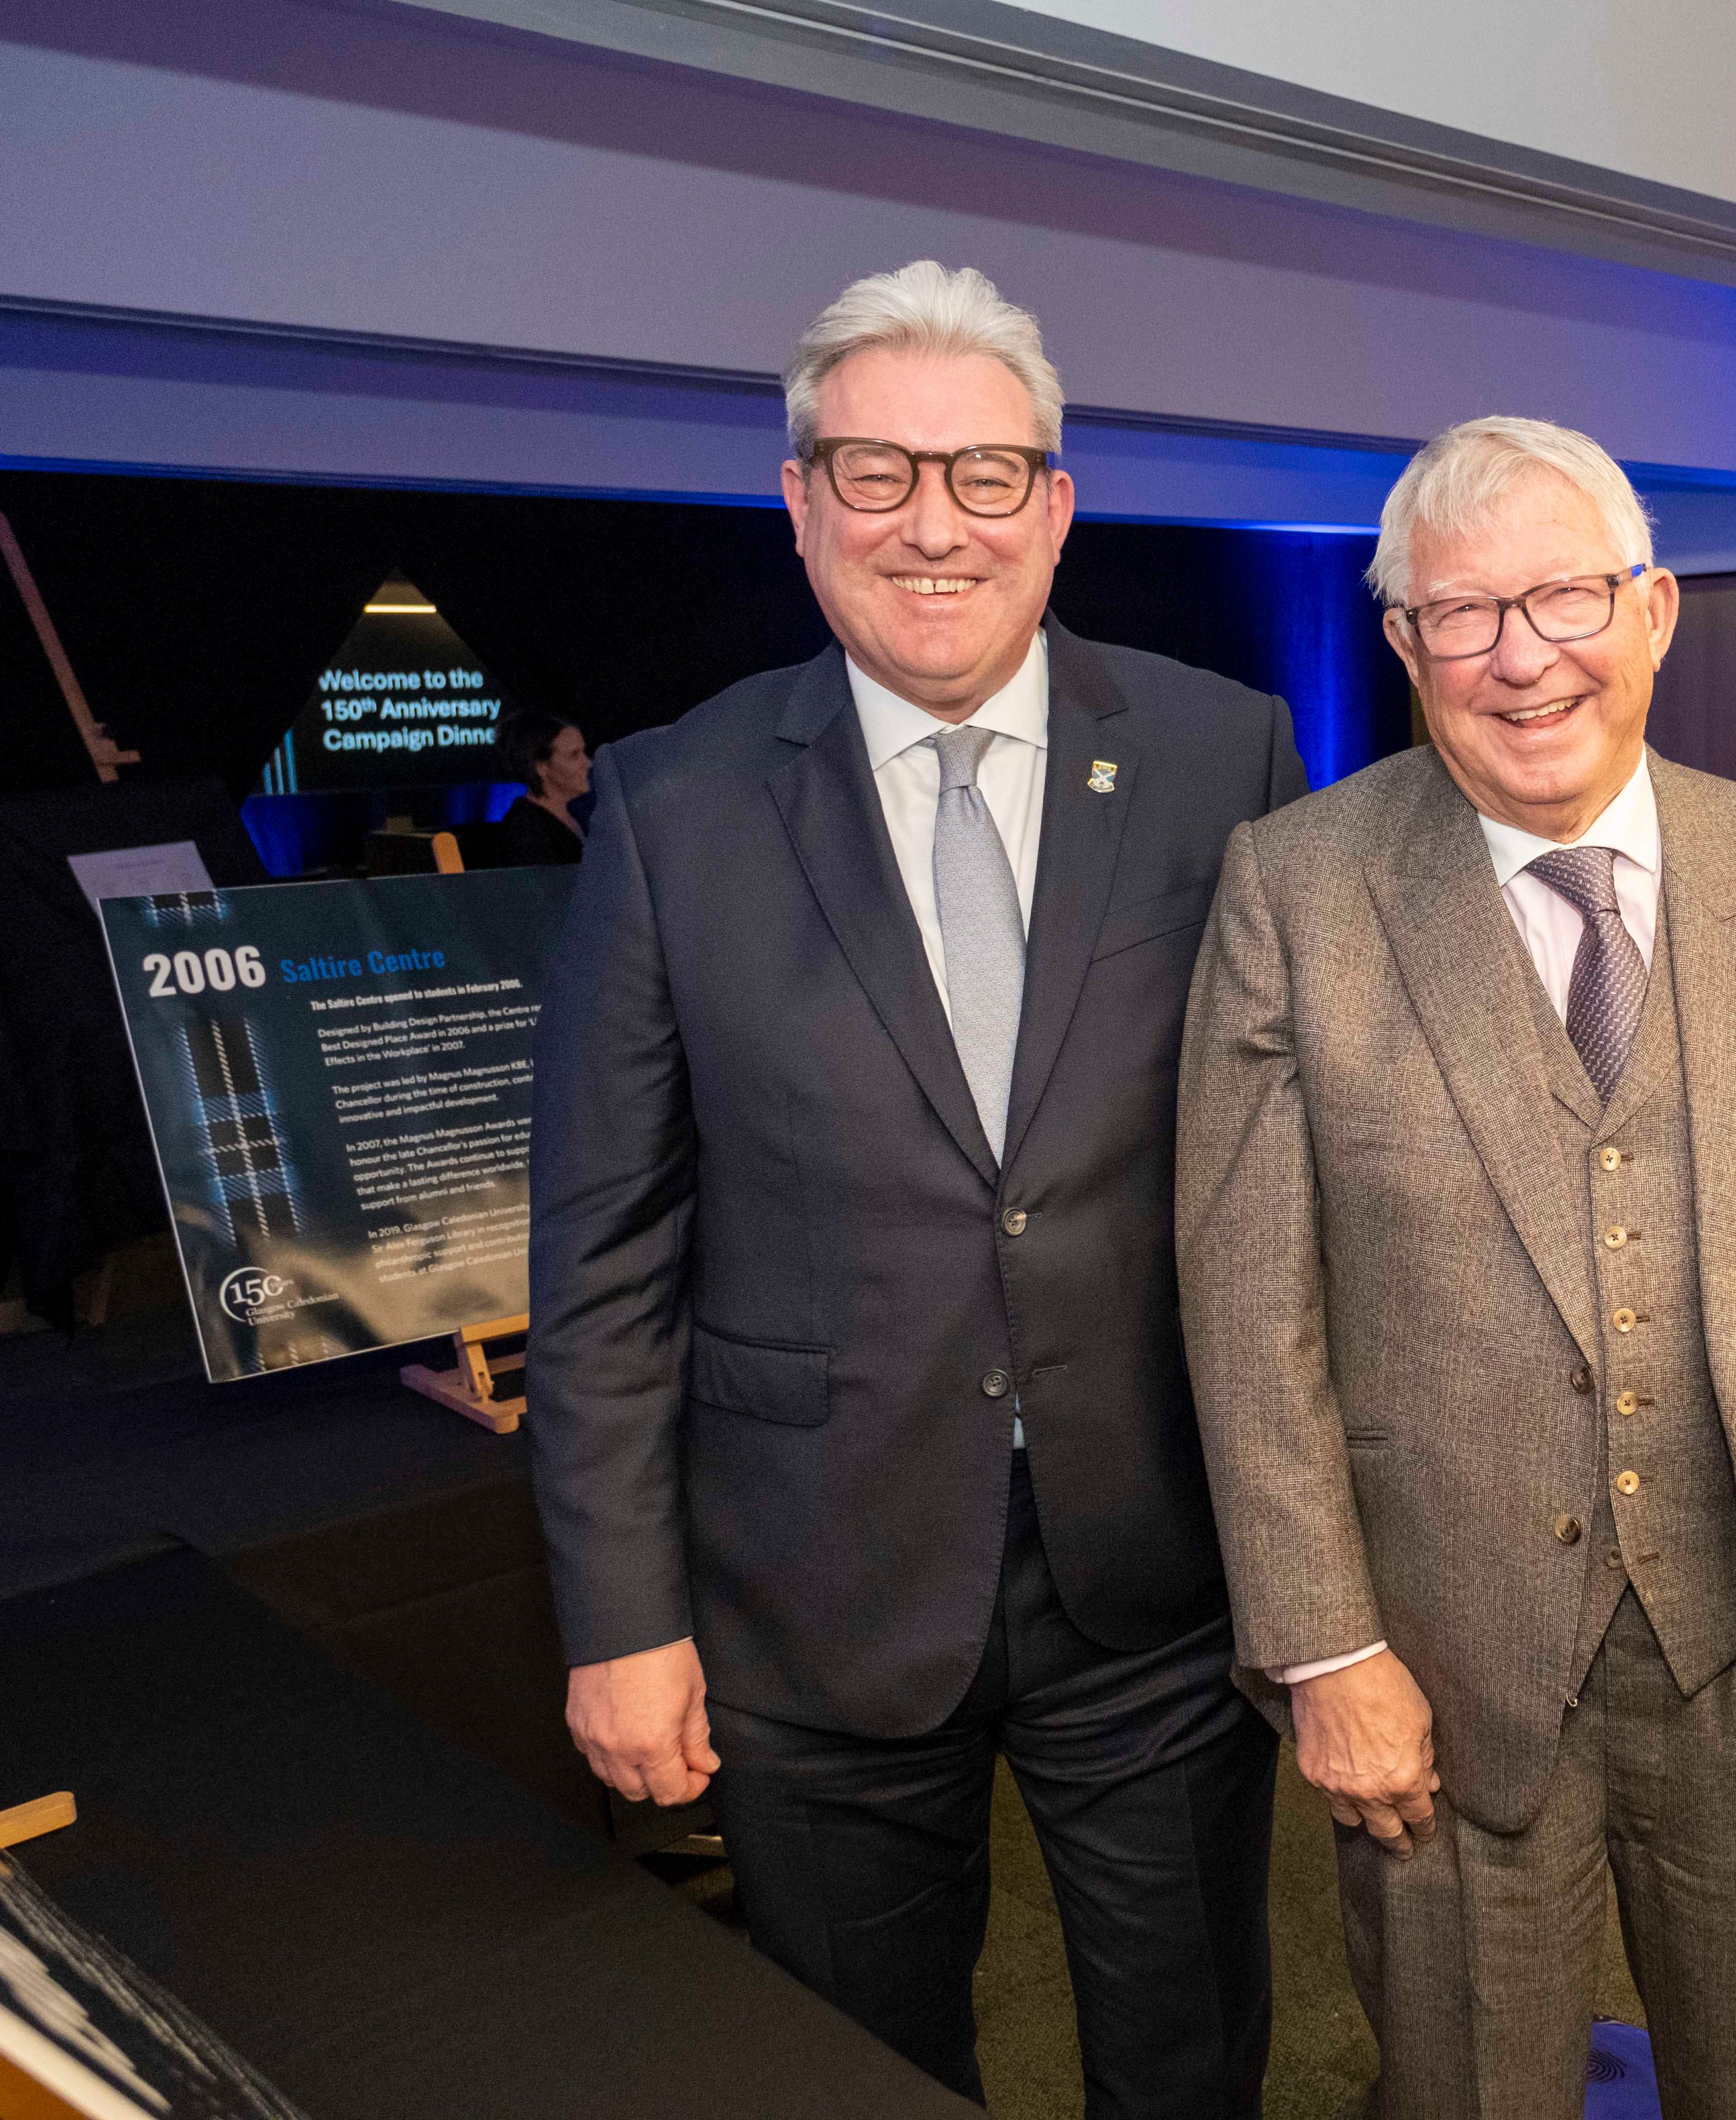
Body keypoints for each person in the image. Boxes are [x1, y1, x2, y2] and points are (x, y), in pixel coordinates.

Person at [525, 259, 1305, 2116]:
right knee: (857, 2068)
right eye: (876, 473)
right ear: (800, 505)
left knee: (1191, 2058)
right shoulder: (672, 805)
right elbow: (606, 1252)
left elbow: (1298, 1174)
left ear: (1055, 503)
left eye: (984, 474)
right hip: (813, 1588)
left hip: (1159, 1581)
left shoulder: (1223, 758)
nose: (932, 524)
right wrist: (620, 1618)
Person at [1178, 415, 1736, 2118]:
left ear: (1656, 609)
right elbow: (1252, 1316)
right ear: (1402, 642)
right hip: (1446, 1666)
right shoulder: (1296, 893)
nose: (1520, 656)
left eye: (1563, 597)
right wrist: (1325, 1653)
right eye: (1461, 614)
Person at [483, 712, 588, 866]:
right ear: (541, 767)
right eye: (574, 756)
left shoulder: (586, 818)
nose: (587, 763)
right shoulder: (525, 834)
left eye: (584, 752)